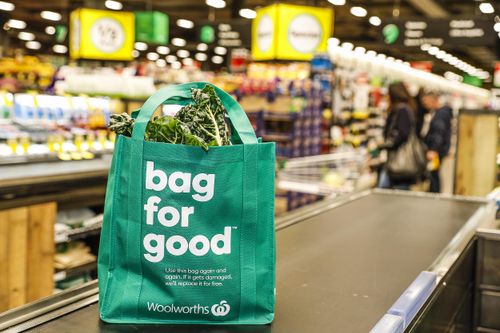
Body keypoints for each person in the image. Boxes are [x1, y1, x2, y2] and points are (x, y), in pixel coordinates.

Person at [378, 82, 418, 190]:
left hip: (400, 160)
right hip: (396, 161)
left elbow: (402, 134)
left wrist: (385, 145)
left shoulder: (402, 109)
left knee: (389, 191)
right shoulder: (406, 108)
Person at [421, 92, 452, 193]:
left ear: (433, 100)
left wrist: (433, 149)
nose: (426, 106)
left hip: (436, 150)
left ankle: (434, 194)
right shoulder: (440, 112)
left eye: (426, 102)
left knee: (434, 173)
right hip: (439, 149)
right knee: (434, 173)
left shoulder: (440, 114)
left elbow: (439, 132)